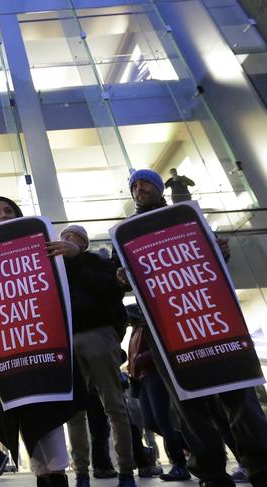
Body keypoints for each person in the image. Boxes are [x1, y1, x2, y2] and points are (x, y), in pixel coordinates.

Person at [114, 168, 267, 487]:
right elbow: (127, 278)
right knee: (188, 403)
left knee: (238, 395)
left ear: (160, 189)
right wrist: (123, 278)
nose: (140, 188)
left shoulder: (188, 219)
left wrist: (220, 254)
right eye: (135, 185)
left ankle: (260, 464)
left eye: (146, 183)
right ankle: (211, 473)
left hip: (210, 319)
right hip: (166, 327)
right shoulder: (126, 234)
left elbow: (208, 264)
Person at [0, 196, 84, 487]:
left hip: (42, 348)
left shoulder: (43, 246)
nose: (2, 215)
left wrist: (75, 250)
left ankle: (57, 474)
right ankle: (43, 475)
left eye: (8, 210)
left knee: (48, 412)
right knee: (23, 417)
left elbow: (68, 284)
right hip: (8, 359)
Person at [56, 224, 136, 487]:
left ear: (84, 243)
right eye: (64, 236)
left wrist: (77, 258)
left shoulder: (96, 263)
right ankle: (80, 472)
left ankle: (126, 470)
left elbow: (111, 290)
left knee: (113, 404)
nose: (66, 239)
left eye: (73, 237)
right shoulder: (53, 268)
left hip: (97, 334)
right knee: (74, 411)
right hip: (66, 339)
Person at [127, 304, 190, 481]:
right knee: (150, 422)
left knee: (162, 420)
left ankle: (179, 464)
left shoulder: (149, 327)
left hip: (155, 375)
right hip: (142, 378)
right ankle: (191, 444)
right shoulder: (136, 331)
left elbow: (157, 351)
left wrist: (138, 360)